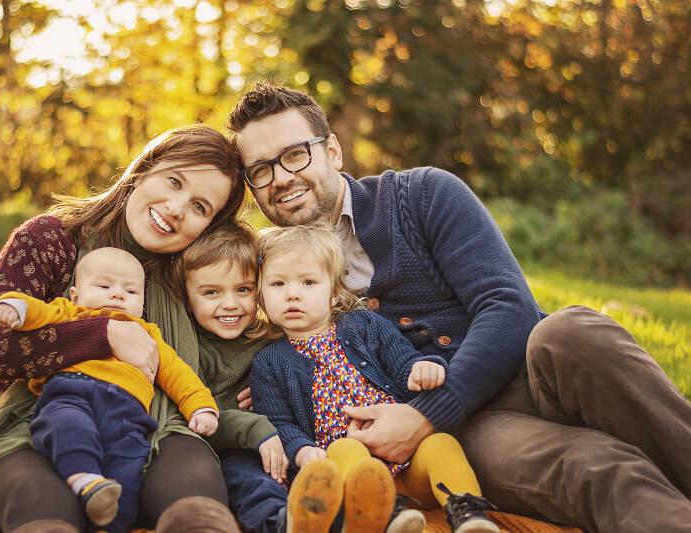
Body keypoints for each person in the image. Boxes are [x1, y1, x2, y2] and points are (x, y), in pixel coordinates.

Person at [226, 83, 691, 532]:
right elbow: (221, 324)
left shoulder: (420, 195)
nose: (280, 178)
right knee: (593, 464)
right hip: (472, 431)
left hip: (526, 369)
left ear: (332, 151)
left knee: (573, 331)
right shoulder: (264, 271)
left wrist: (428, 413)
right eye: (260, 170)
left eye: (294, 155)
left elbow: (508, 305)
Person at [0, 124, 245, 533]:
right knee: (44, 509)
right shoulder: (51, 240)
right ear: (143, 169)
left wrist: (257, 383)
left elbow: (235, 334)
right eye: (174, 181)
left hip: (157, 426)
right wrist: (102, 334)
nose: (177, 207)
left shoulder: (189, 274)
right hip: (41, 420)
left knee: (196, 503)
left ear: (208, 226)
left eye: (200, 207)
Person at [251, 223, 499, 533]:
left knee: (440, 444)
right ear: (261, 297)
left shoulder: (364, 325)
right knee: (345, 451)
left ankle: (469, 514)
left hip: (410, 463)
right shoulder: (268, 363)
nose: (292, 294)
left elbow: (402, 361)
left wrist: (421, 368)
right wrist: (302, 450)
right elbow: (277, 422)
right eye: (277, 284)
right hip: (346, 464)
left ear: (334, 293)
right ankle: (384, 515)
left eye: (309, 282)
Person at [0, 246, 220, 533]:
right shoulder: (70, 313)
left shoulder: (148, 334)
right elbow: (38, 312)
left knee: (130, 463)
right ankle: (83, 478)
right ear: (76, 295)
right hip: (71, 393)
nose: (119, 295)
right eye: (105, 286)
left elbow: (177, 373)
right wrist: (15, 306)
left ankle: (112, 521)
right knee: (68, 427)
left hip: (127, 411)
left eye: (131, 291)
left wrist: (200, 407)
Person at [167, 219, 292, 533]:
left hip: (288, 440)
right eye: (211, 292)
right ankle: (282, 523)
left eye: (243, 289)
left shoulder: (271, 336)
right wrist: (255, 427)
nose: (230, 304)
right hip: (229, 451)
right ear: (186, 297)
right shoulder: (191, 349)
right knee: (249, 480)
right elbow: (198, 420)